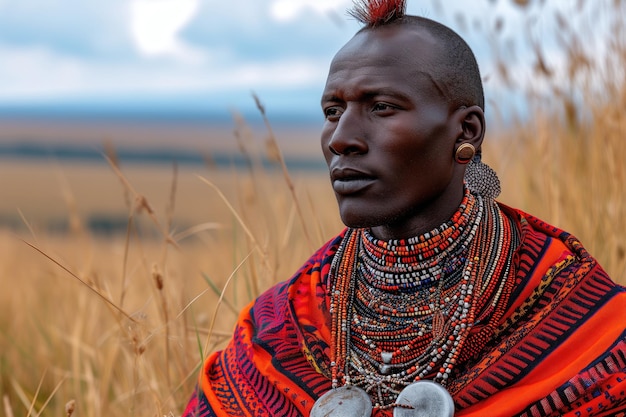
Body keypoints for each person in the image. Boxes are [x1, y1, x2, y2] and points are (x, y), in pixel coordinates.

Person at [182, 1, 626, 416]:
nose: (341, 139)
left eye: (381, 107)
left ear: (466, 130)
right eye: (333, 111)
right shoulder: (284, 327)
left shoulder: (570, 313)